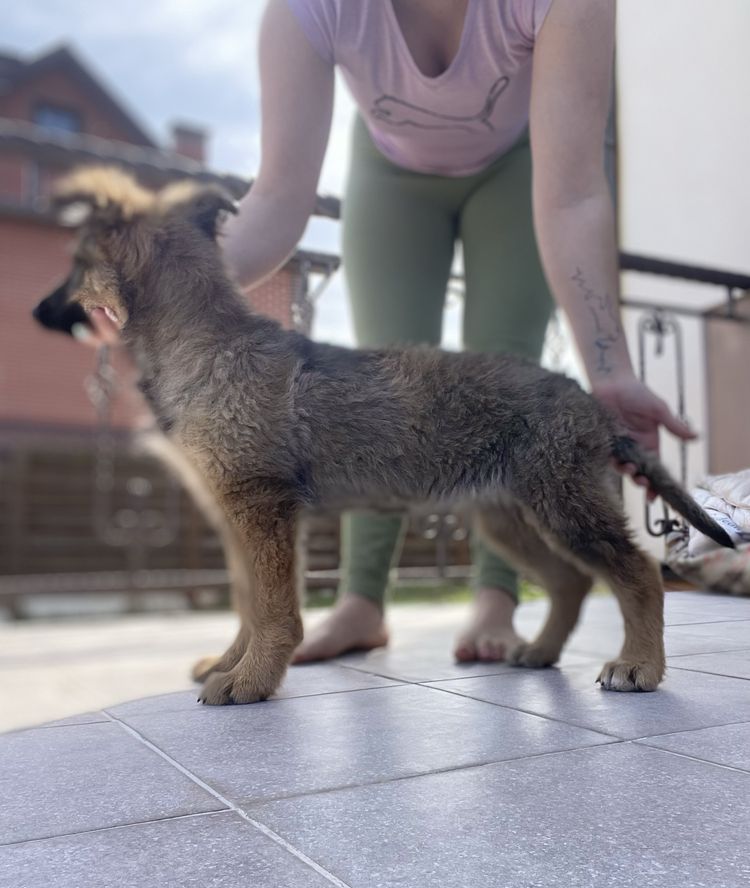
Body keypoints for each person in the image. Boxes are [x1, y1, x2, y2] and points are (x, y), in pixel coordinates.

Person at [89, 0, 695, 664]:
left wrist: (609, 370)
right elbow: (275, 199)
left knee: (509, 377)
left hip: (520, 161)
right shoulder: (307, 10)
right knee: (374, 397)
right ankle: (360, 603)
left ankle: (499, 598)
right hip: (392, 172)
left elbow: (575, 194)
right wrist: (166, 283)